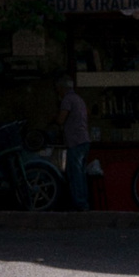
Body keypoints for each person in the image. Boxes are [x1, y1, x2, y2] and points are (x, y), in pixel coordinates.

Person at [58, 77, 92, 212]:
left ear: (62, 88)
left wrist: (53, 119)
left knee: (75, 174)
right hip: (84, 140)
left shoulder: (67, 100)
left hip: (75, 142)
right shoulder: (79, 99)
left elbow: (61, 120)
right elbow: (87, 113)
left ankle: (79, 204)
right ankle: (83, 202)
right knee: (81, 174)